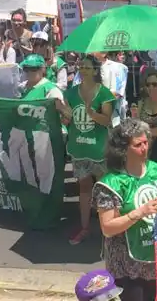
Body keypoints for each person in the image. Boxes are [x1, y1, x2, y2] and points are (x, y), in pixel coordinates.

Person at [93, 118, 157, 301]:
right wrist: (140, 212)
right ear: (122, 150)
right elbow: (107, 228)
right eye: (138, 144)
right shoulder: (110, 184)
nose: (144, 148)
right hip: (127, 266)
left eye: (146, 142)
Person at [60, 55, 117, 245]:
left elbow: (107, 120)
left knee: (105, 190)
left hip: (99, 150)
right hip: (79, 148)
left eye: (86, 67)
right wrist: (62, 112)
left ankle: (109, 230)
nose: (82, 70)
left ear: (95, 70)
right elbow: (68, 120)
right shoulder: (71, 93)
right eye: (80, 67)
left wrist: (92, 113)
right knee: (83, 188)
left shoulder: (104, 93)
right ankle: (84, 228)